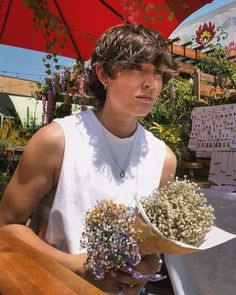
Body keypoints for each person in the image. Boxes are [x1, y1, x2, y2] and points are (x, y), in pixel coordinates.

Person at [0, 23, 177, 295]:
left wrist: (146, 266)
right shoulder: (58, 140)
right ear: (104, 73)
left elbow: (151, 240)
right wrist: (74, 266)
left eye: (158, 73)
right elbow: (7, 224)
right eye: (137, 68)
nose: (151, 84)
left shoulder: (164, 159)